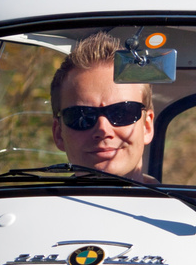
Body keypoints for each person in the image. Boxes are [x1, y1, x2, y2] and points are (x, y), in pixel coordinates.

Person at [49, 32, 156, 181]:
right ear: (58, 133)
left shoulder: (186, 205)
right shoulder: (26, 203)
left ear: (147, 126)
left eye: (122, 113)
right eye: (82, 116)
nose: (103, 129)